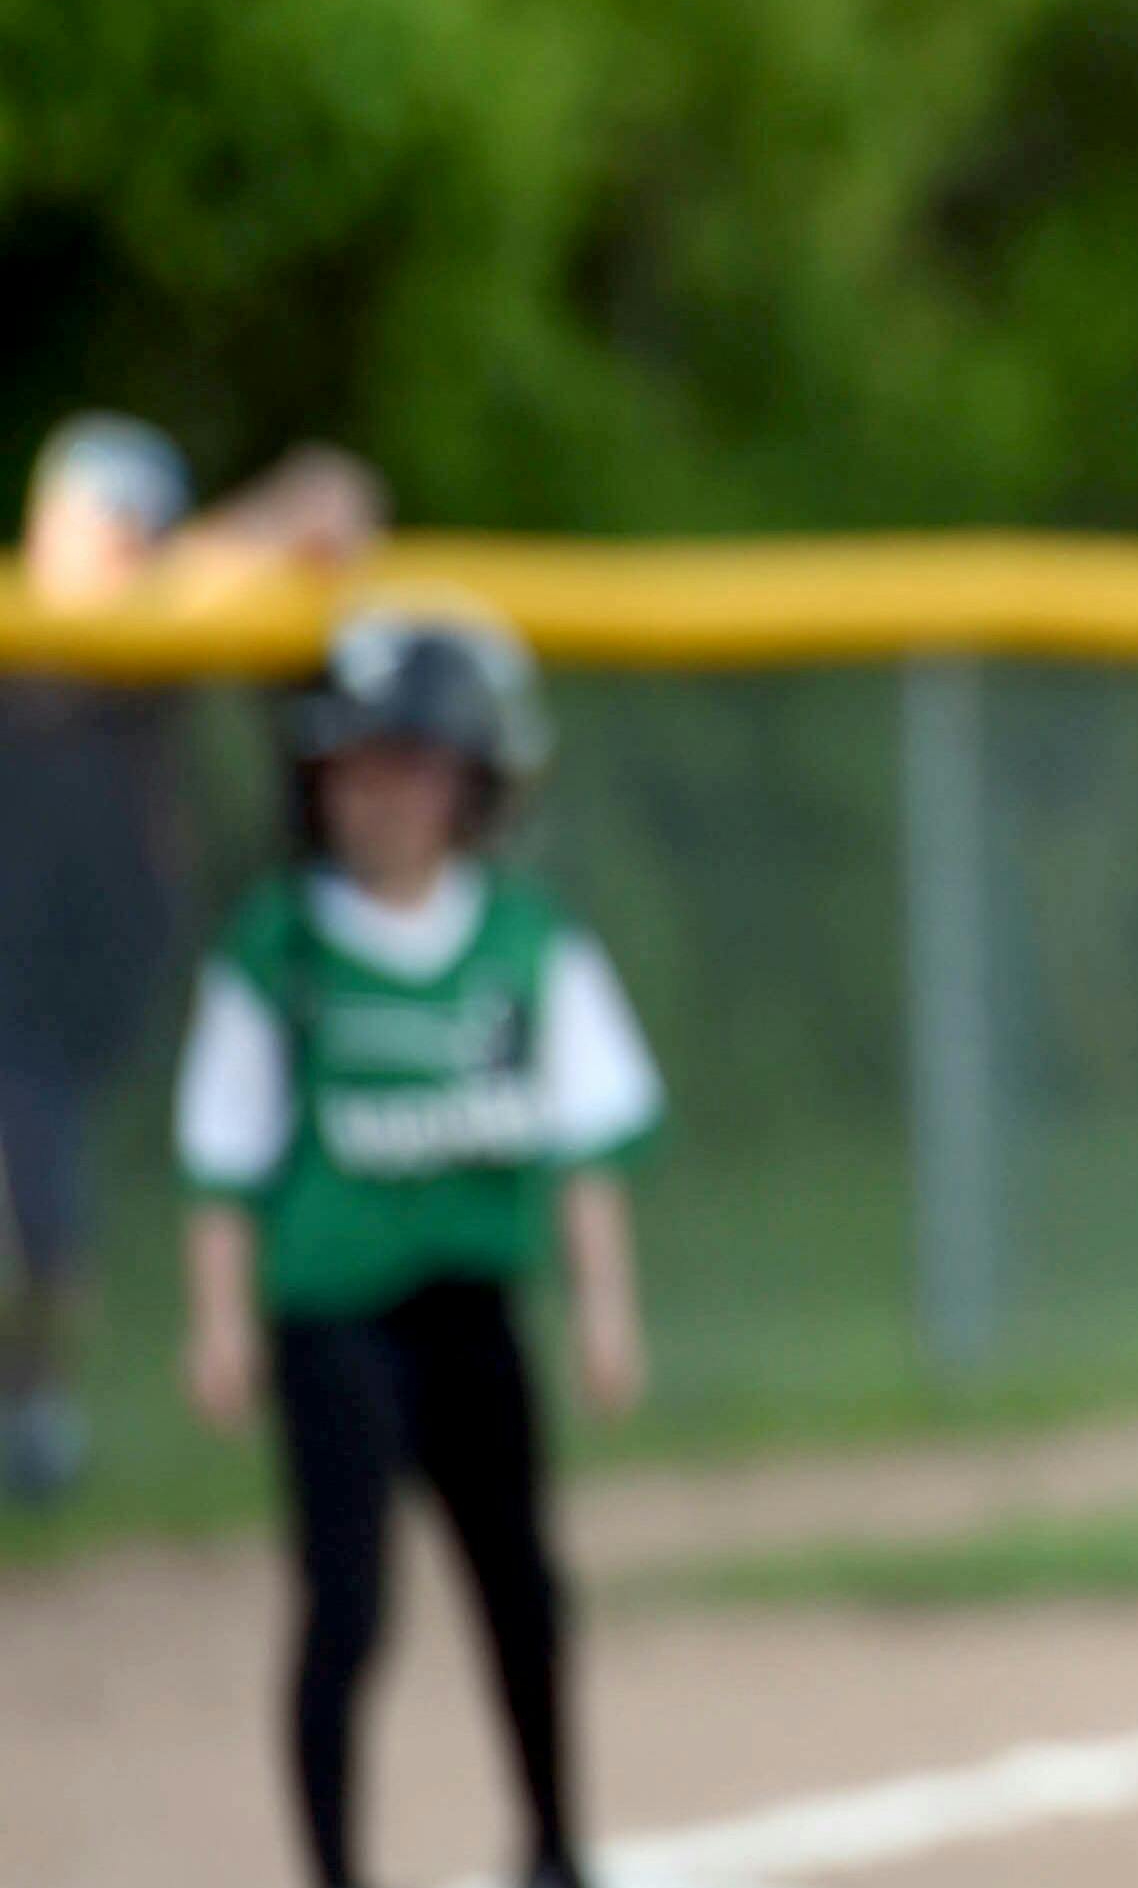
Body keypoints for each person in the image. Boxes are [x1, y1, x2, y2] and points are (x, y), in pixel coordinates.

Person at [173, 598, 658, 1888]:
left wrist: (606, 1307)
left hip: (473, 1309)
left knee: (523, 1583)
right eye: (347, 765)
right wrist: (218, 1318)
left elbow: (585, 1148)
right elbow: (222, 1158)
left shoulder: (523, 939)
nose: (371, 795)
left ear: (470, 780)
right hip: (333, 1317)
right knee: (348, 1608)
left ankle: (554, 1845)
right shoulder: (281, 945)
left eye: (403, 764)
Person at [2, 415, 383, 1501]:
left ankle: (33, 1404)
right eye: (93, 526)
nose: (112, 554)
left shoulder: (155, 636)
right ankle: (34, 1414)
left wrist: (222, 551)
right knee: (24, 1212)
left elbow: (335, 483)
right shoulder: (22, 630)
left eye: (135, 534)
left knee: (48, 1235)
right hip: (6, 991)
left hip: (88, 988)